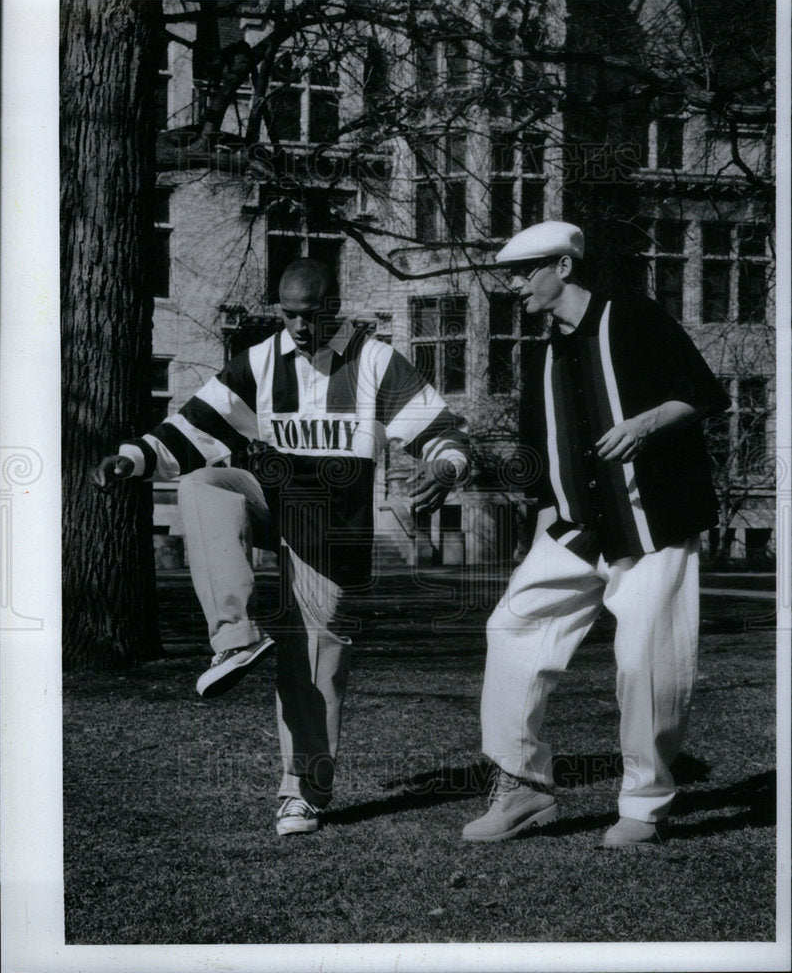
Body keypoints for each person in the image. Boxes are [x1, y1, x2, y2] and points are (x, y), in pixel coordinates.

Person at [93, 258, 469, 836]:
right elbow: (193, 429)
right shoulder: (261, 361)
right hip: (271, 501)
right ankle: (234, 640)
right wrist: (134, 457)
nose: (297, 325)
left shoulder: (374, 361)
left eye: (310, 314)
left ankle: (303, 793)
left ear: (334, 308)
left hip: (330, 532)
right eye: (288, 314)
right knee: (203, 482)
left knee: (312, 665)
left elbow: (439, 428)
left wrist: (447, 465)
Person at [462, 220, 730, 847]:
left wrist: (645, 423)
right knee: (511, 626)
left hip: (651, 520)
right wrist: (538, 526)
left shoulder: (632, 316)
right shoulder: (543, 348)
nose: (514, 284)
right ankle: (522, 784)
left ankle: (644, 804)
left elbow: (702, 393)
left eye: (525, 271)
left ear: (563, 266)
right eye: (509, 273)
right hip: (572, 526)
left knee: (646, 661)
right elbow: (538, 445)